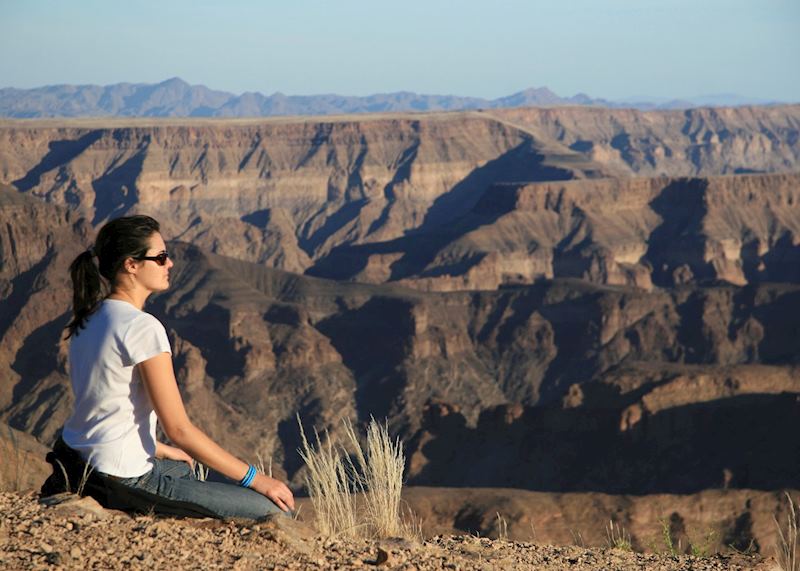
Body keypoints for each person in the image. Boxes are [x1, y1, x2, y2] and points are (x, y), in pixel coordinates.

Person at [43, 214, 294, 519]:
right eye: (160, 257)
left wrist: (157, 448)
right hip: (122, 480)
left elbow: (105, 406)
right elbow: (179, 429)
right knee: (275, 511)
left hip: (79, 463)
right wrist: (257, 479)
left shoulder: (90, 318)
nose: (170, 264)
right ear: (131, 265)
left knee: (182, 466)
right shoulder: (141, 328)